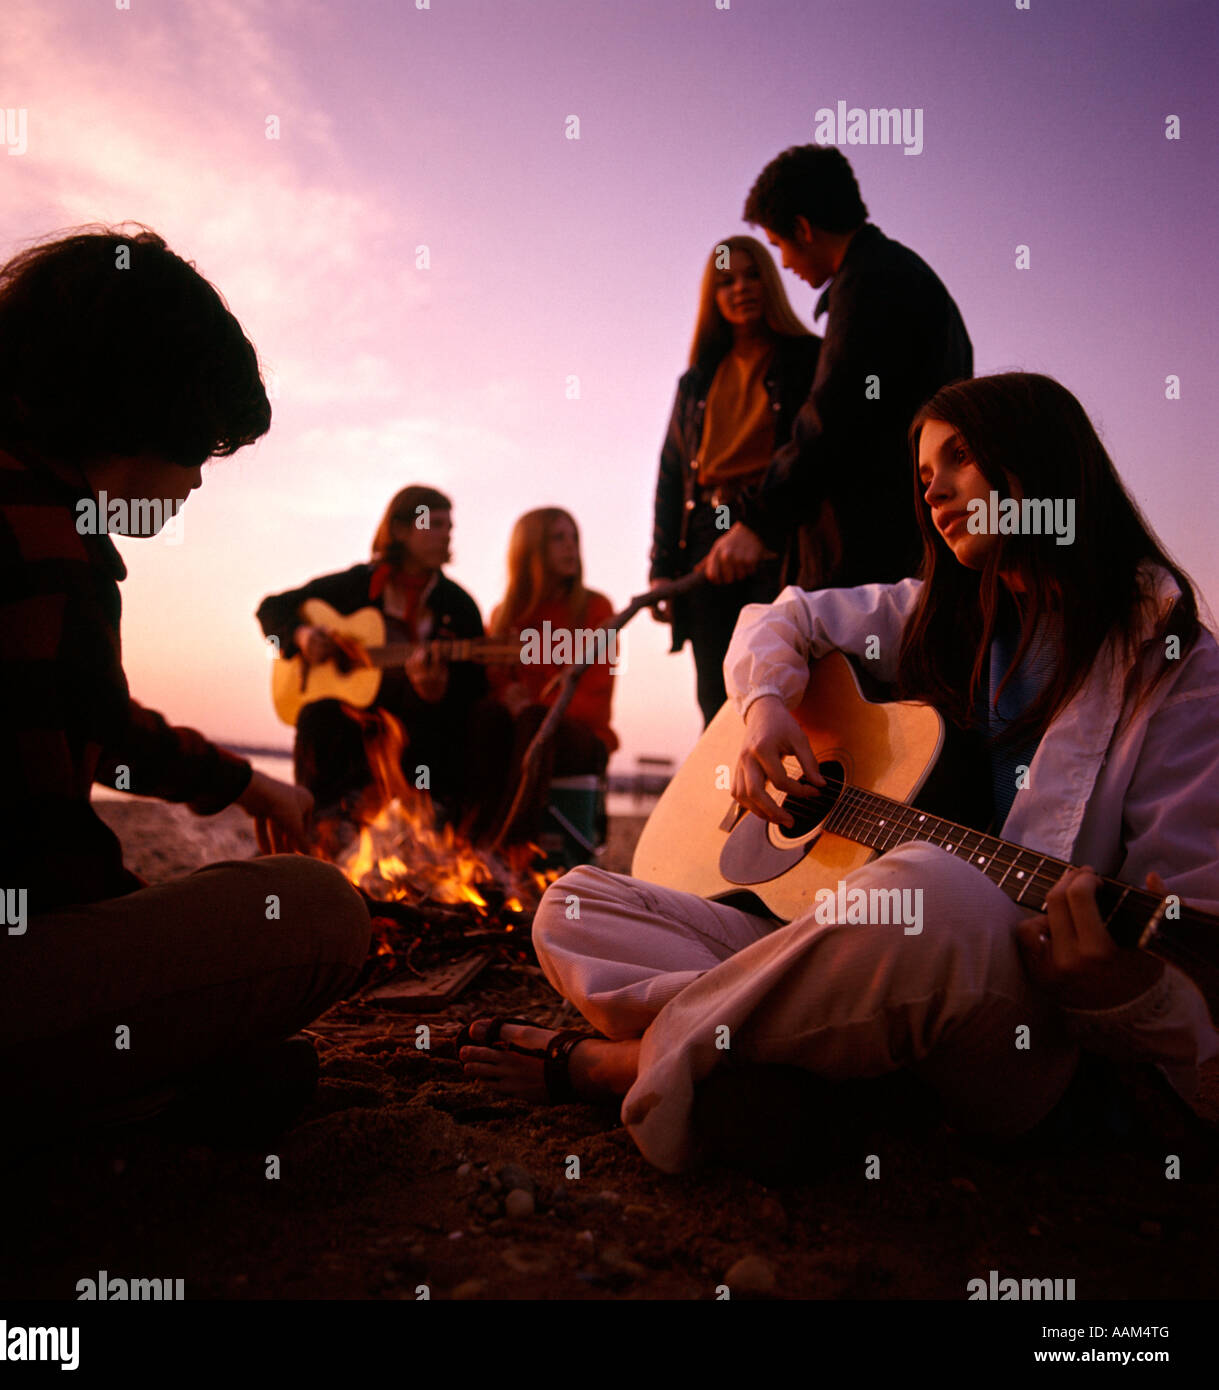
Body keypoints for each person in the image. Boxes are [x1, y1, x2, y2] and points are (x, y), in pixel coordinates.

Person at [460, 373, 1219, 1175]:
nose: (935, 492)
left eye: (959, 458)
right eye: (924, 477)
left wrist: (1121, 985)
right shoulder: (944, 617)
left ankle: (629, 1060)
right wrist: (763, 711)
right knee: (575, 902)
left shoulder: (1175, 670)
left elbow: (1195, 987)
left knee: (928, 891)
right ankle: (801, 1061)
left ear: (1041, 456)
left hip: (1036, 1036)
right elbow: (783, 616)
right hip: (868, 950)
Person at [0, 228, 371, 1141]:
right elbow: (36, 857)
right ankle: (110, 1100)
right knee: (320, 911)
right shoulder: (46, 543)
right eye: (202, 451)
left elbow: (89, 720)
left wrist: (247, 783)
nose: (200, 485)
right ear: (148, 414)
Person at [704, 145, 973, 598]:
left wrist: (757, 521)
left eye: (778, 246)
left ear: (803, 229)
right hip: (915, 543)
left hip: (870, 559)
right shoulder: (908, 275)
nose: (784, 264)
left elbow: (833, 418)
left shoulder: (867, 286)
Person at [649, 235, 820, 724]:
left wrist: (763, 525)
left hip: (776, 527)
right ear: (713, 296)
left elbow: (811, 452)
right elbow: (671, 475)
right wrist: (662, 566)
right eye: (726, 281)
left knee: (784, 684)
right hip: (703, 532)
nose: (740, 288)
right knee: (717, 698)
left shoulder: (807, 357)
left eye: (751, 275)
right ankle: (726, 798)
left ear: (769, 280)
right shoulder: (696, 380)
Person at [256, 486, 487, 837]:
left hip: (417, 729)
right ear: (399, 530)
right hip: (350, 724)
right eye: (434, 524)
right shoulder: (357, 585)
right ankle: (322, 822)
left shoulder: (458, 605)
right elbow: (272, 608)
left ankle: (428, 818)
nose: (446, 534)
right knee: (317, 714)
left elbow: (476, 686)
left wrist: (436, 692)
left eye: (449, 526)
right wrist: (302, 636)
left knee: (436, 724)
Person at [466, 508, 618, 846]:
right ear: (529, 548)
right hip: (523, 730)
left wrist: (533, 704)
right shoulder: (505, 616)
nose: (570, 547)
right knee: (485, 717)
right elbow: (493, 686)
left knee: (535, 720)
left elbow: (595, 704)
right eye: (558, 538)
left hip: (582, 738)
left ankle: (510, 849)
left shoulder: (596, 609)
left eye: (574, 538)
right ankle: (468, 842)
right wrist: (506, 697)